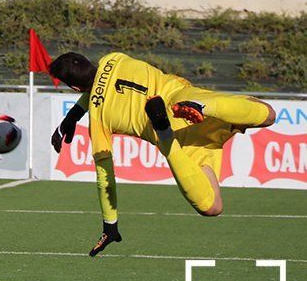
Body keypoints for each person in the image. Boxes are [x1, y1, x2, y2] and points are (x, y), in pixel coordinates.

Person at [48, 52, 276, 257]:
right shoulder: (113, 58)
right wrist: (72, 116)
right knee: (268, 114)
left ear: (75, 89)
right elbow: (100, 83)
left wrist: (110, 224)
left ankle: (166, 139)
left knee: (212, 207)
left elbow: (105, 176)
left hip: (183, 142)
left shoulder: (98, 119)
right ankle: (203, 107)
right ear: (88, 61)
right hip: (189, 102)